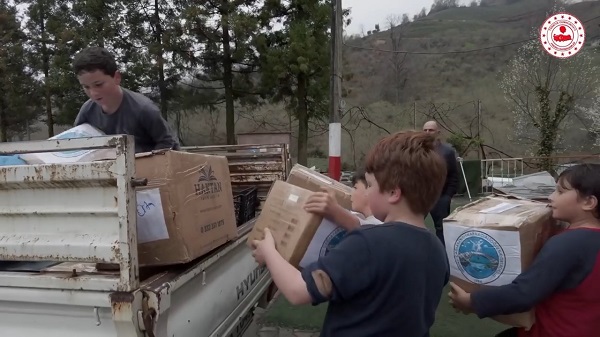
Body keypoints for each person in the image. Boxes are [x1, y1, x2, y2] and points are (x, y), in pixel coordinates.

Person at [251, 131, 449, 336]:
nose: (368, 191)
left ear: (393, 193)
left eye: (370, 185)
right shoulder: (437, 251)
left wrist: (269, 252)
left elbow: (297, 291)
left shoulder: (368, 243)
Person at [449, 163, 600, 337]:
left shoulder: (568, 243)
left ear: (589, 202)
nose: (551, 197)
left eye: (560, 191)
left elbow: (523, 294)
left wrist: (471, 302)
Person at [72, 46, 179, 153]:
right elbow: (75, 145)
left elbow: (167, 143)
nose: (93, 93)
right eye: (86, 87)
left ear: (117, 77)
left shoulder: (144, 109)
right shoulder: (87, 111)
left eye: (99, 84)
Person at [303, 169, 381, 231]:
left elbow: (366, 230)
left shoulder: (380, 224)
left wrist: (335, 210)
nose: (351, 193)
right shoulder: (366, 220)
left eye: (355, 188)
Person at [422, 120, 458, 245]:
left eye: (430, 130)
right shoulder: (416, 151)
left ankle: (443, 256)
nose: (427, 132)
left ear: (438, 132)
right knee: (414, 226)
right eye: (425, 130)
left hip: (441, 197)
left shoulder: (447, 152)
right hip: (420, 197)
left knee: (441, 229)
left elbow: (454, 176)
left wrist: (448, 196)